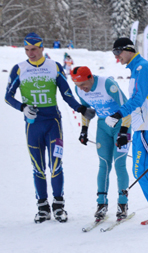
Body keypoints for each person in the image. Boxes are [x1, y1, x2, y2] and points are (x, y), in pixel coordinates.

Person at [5, 32, 95, 223]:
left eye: (34, 49)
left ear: (42, 48)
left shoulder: (54, 67)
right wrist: (22, 107)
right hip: (33, 125)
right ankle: (43, 207)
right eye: (27, 50)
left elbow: (67, 94)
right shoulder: (19, 69)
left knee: (55, 166)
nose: (30, 53)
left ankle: (59, 206)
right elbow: (8, 96)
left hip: (53, 123)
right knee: (38, 167)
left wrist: (80, 108)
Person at [107, 37, 148, 228]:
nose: (117, 57)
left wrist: (118, 114)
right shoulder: (136, 69)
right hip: (141, 126)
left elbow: (138, 99)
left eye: (118, 53)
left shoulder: (143, 68)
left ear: (127, 49)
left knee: (140, 171)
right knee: (141, 171)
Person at [71, 66, 131, 221]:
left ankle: (122, 204)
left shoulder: (107, 85)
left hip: (120, 124)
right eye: (78, 85)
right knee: (104, 164)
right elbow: (87, 111)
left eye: (83, 84)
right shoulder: (80, 90)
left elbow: (127, 107)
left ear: (90, 77)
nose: (81, 89)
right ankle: (101, 204)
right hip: (103, 126)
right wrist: (84, 129)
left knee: (119, 164)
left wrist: (124, 131)